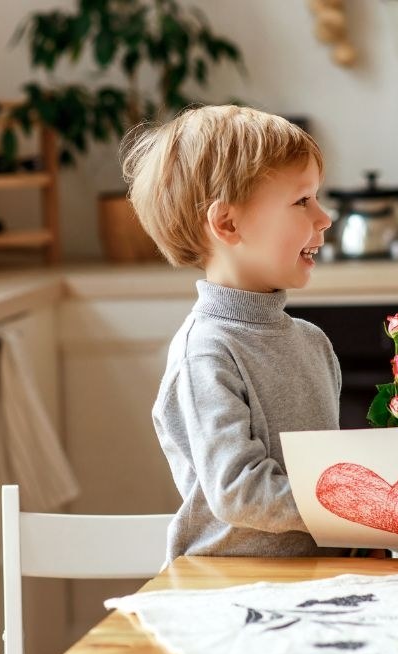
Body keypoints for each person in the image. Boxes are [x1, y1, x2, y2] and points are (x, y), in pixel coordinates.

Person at [122, 105, 346, 560]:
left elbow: (322, 477)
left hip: (312, 579)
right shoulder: (206, 352)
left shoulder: (312, 342)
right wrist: (364, 509)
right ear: (227, 223)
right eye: (302, 200)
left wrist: (363, 540)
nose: (325, 217)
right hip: (224, 589)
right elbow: (239, 491)